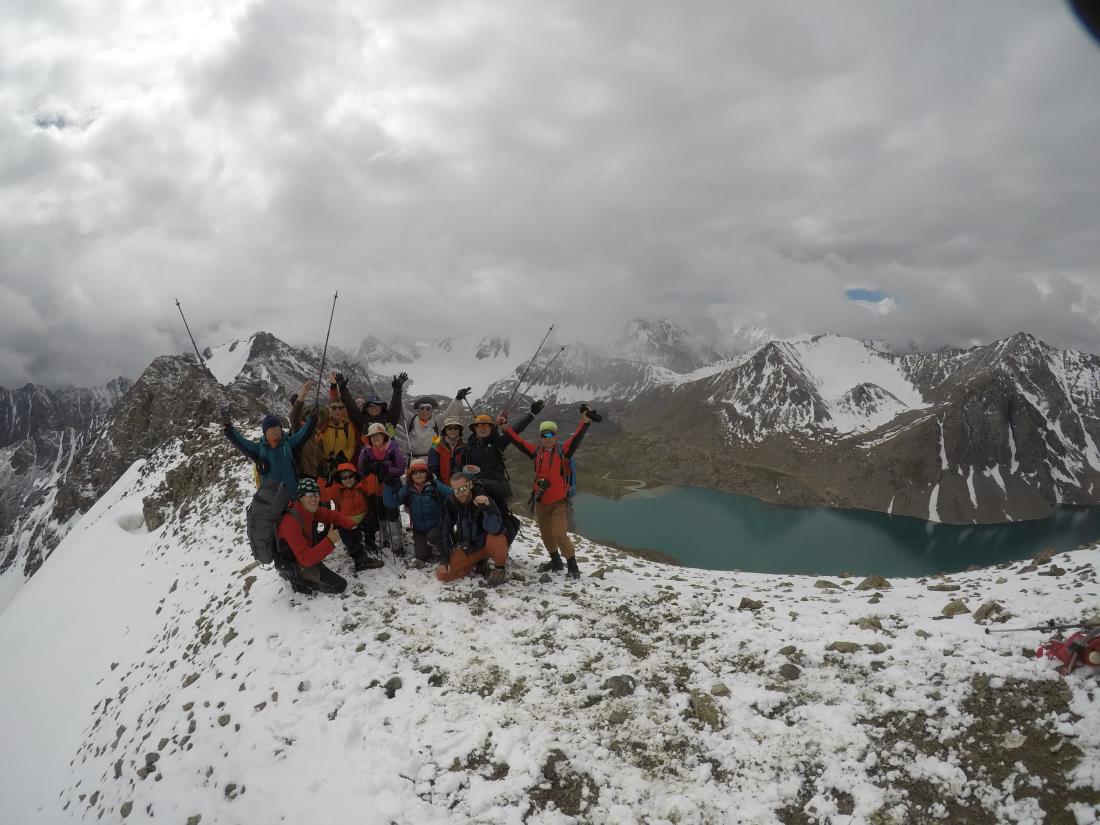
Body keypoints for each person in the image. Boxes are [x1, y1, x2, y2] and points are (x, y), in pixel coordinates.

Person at [503, 411, 591, 579]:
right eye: (544, 434)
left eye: (550, 434)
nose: (547, 437)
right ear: (540, 437)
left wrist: (584, 422)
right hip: (541, 501)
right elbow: (519, 442)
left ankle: (573, 566)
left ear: (555, 436)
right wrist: (506, 428)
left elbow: (576, 438)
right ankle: (556, 561)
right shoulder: (537, 452)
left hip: (559, 502)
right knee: (545, 534)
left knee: (559, 534)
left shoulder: (563, 451)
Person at [274, 477, 356, 595]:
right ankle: (296, 578)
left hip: (303, 553)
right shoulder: (291, 522)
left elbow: (331, 515)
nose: (314, 499)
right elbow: (305, 559)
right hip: (295, 563)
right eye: (309, 495)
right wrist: (330, 540)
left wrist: (351, 524)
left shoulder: (307, 509)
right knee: (339, 585)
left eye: (317, 494)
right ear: (300, 497)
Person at [223, 409, 316, 497]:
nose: (275, 432)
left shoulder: (288, 443)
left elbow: (303, 433)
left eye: (277, 429)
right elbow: (242, 443)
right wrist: (229, 428)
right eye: (271, 430)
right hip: (272, 500)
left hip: (292, 494)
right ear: (265, 433)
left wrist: (313, 418)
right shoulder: (260, 449)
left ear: (280, 430)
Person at [437, 471, 509, 586]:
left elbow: (495, 529)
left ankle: (500, 568)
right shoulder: (450, 503)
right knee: (442, 575)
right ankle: (477, 562)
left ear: (470, 485)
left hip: (487, 543)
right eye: (456, 490)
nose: (460, 493)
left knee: (497, 538)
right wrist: (444, 559)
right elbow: (444, 530)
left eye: (463, 489)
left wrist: (487, 508)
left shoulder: (484, 498)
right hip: (469, 547)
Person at [465, 400, 542, 500]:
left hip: (497, 488)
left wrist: (530, 415)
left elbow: (514, 431)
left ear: (491, 428)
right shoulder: (468, 446)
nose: (482, 428)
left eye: (486, 425)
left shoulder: (498, 442)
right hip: (476, 488)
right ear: (474, 429)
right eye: (479, 426)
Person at [319, 463, 385, 571]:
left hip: (364, 518)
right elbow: (323, 495)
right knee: (350, 540)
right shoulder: (337, 489)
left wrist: (371, 474)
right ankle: (361, 561)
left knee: (371, 522)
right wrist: (322, 479)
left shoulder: (361, 485)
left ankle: (369, 542)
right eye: (344, 478)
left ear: (355, 476)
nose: (348, 480)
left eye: (350, 476)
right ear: (339, 479)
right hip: (346, 522)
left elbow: (373, 488)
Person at [385, 458, 452, 563]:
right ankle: (429, 546)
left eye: (422, 471)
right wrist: (388, 486)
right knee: (421, 556)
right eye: (415, 472)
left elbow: (451, 494)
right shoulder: (408, 488)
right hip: (419, 529)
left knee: (433, 537)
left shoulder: (434, 484)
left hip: (436, 526)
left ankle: (445, 540)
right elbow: (391, 503)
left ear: (426, 473)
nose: (418, 474)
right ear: (411, 475)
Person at [358, 422, 407, 552]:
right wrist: (368, 469)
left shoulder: (392, 449)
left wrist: (387, 469)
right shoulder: (365, 452)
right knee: (381, 515)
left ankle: (397, 544)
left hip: (390, 486)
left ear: (384, 436)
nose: (376, 438)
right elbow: (361, 471)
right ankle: (385, 539)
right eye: (373, 436)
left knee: (393, 515)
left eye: (378, 435)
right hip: (374, 488)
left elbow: (401, 469)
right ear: (369, 438)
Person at [332, 370, 406, 440]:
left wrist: (397, 390)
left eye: (377, 405)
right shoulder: (362, 421)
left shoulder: (389, 420)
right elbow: (351, 407)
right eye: (371, 406)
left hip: (388, 450)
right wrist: (343, 389)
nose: (374, 408)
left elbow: (395, 407)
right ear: (366, 409)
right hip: (367, 450)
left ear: (381, 408)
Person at [405, 390, 469, 459]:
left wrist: (457, 399)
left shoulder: (437, 421)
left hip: (433, 457)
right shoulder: (411, 419)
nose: (425, 411)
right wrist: (398, 391)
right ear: (418, 410)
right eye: (422, 408)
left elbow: (449, 413)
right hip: (413, 459)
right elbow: (401, 410)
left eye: (428, 409)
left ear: (431, 410)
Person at [428, 416, 468, 485]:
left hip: (461, 485)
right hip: (441, 486)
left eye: (456, 428)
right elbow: (433, 471)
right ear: (445, 430)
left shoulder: (465, 447)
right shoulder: (435, 446)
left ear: (460, 430)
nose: (452, 430)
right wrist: (441, 487)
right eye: (449, 428)